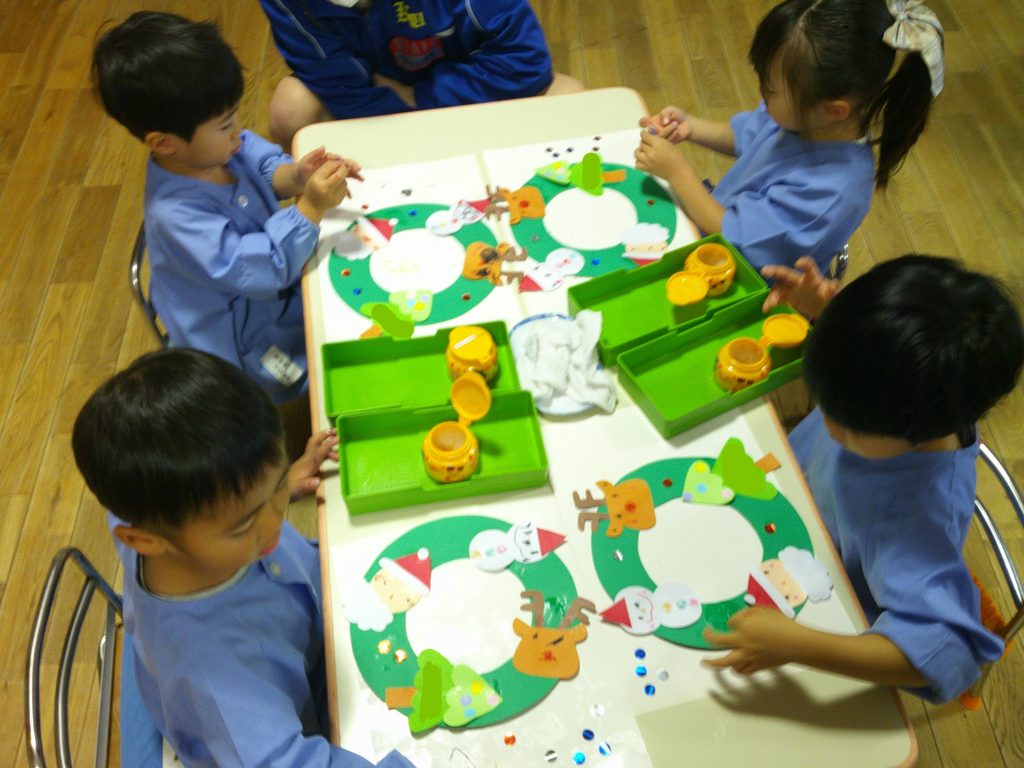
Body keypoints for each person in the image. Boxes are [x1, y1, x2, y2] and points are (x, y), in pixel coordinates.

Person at [72, 348, 417, 767]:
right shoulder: (214, 673)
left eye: (275, 489)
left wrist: (276, 483)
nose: (275, 522)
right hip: (278, 724)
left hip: (315, 626)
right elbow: (284, 761)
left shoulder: (149, 509)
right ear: (144, 540)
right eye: (244, 523)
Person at [703, 255, 1024, 704]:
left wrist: (798, 644)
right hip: (782, 508)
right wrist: (827, 312)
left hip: (816, 602)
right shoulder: (894, 390)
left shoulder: (919, 519)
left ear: (915, 431)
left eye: (847, 425)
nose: (828, 422)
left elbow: (949, 654)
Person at [92, 12, 361, 404]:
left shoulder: (215, 148)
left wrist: (298, 175)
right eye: (224, 124)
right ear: (164, 143)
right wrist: (311, 207)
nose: (238, 131)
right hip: (244, 346)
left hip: (276, 287)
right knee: (331, 372)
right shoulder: (177, 218)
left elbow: (267, 167)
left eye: (234, 115)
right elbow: (265, 268)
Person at [635, 0, 944, 272]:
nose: (762, 96)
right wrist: (691, 127)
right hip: (717, 225)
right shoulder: (801, 119)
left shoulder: (832, 190)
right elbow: (745, 134)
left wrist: (678, 172)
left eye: (770, 90)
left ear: (833, 110)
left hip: (746, 280)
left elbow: (735, 237)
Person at [259, 0, 582, 148]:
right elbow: (339, 85)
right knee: (291, 110)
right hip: (377, 105)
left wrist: (420, 97)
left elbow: (526, 60)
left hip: (468, 95)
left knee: (570, 98)